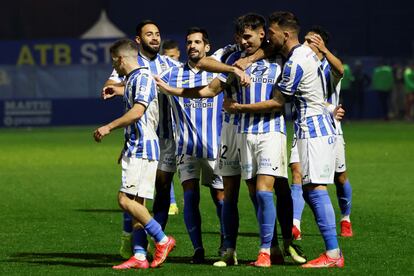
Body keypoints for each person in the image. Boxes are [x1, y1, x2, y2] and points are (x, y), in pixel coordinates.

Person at [156, 14, 304, 268]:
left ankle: (276, 245)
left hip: (270, 130)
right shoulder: (232, 55)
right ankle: (231, 249)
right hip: (235, 133)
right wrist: (234, 68)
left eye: (249, 36)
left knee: (270, 191)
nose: (244, 41)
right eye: (240, 36)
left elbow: (292, 90)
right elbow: (208, 78)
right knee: (236, 193)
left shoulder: (281, 57)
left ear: (262, 34)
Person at [257, 11, 344, 268]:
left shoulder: (296, 61)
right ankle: (331, 251)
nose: (268, 37)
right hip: (319, 126)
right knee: (310, 188)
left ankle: (333, 253)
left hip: (312, 130)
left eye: (271, 33)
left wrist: (239, 108)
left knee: (315, 190)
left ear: (285, 34)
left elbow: (277, 101)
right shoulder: (309, 54)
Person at [102, 20, 180, 262]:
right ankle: (139, 254)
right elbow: (113, 85)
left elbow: (138, 111)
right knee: (137, 201)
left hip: (148, 144)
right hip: (141, 143)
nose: (155, 37)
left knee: (125, 199)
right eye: (149, 34)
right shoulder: (135, 77)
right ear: (138, 40)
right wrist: (116, 89)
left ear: (120, 60)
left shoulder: (144, 76)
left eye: (158, 33)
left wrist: (109, 127)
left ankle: (162, 239)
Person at [159, 27, 225, 264]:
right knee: (190, 196)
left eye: (197, 42)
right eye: (189, 42)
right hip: (185, 147)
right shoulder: (173, 74)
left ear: (207, 47)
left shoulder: (217, 75)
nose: (192, 46)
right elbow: (147, 84)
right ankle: (198, 248)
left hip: (214, 146)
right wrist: (118, 88)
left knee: (220, 197)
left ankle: (225, 243)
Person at [289, 26, 354, 240]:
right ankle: (295, 225)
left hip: (330, 131)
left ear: (319, 44)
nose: (304, 44)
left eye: (309, 41)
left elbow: (341, 70)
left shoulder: (328, 66)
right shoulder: (299, 61)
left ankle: (345, 218)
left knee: (340, 177)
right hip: (303, 129)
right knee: (297, 174)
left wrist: (325, 51)